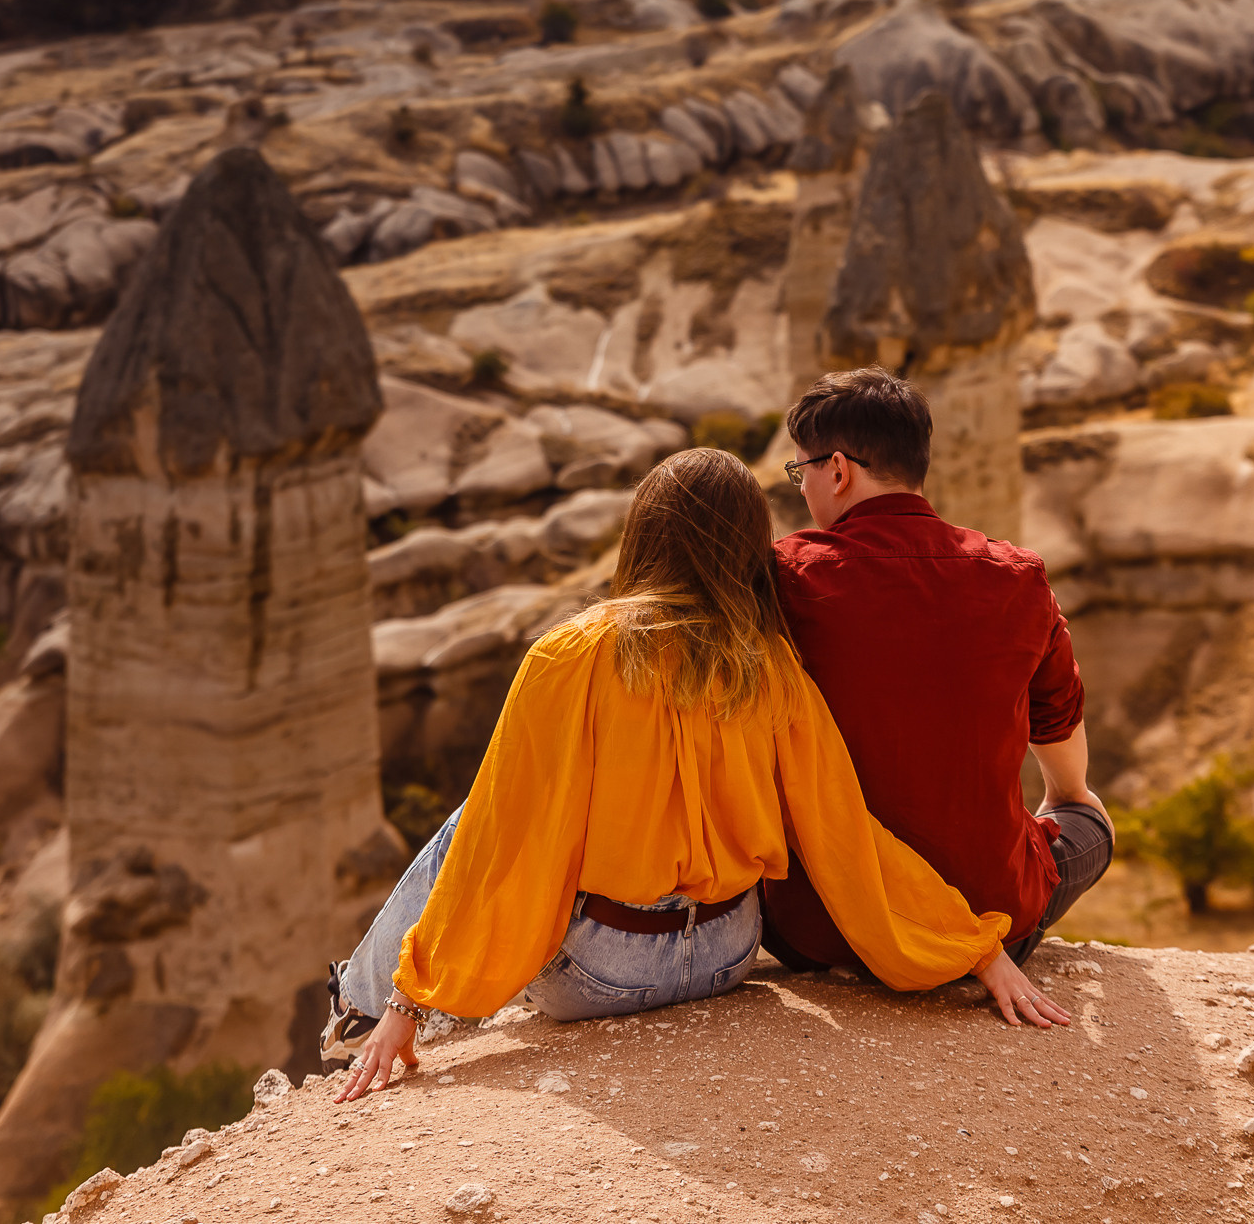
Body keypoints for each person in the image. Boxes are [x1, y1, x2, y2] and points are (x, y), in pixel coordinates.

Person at [324, 447, 1070, 1101]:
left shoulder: (573, 655)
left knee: (477, 814)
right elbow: (843, 832)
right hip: (725, 954)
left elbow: (499, 838)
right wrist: (973, 945)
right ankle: (368, 996)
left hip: (601, 974)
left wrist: (411, 1003)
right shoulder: (772, 666)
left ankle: (359, 1006)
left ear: (643, 534)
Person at [761, 367, 1113, 975]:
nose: (803, 489)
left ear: (838, 469)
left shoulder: (786, 575)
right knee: (1088, 821)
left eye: (803, 471)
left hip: (819, 927)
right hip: (992, 913)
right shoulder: (1017, 577)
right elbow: (1058, 732)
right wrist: (1068, 801)